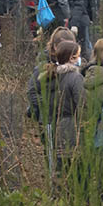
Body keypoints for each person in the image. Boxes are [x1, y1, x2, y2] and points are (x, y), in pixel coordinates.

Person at [35, 38, 85, 174]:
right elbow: (82, 104)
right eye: (78, 55)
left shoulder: (48, 77)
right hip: (71, 128)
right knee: (73, 169)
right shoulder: (75, 78)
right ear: (72, 57)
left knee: (56, 168)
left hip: (52, 124)